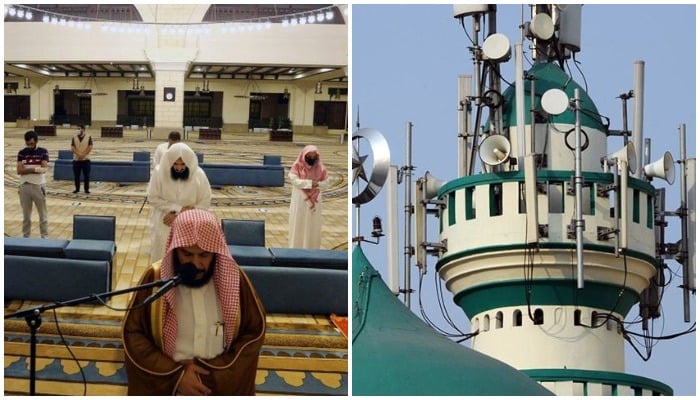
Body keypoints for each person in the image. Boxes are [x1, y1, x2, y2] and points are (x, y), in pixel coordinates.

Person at [122, 208, 266, 395]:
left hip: (218, 383)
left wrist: (211, 374)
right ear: (175, 250)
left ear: (215, 251)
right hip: (170, 385)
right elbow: (133, 333)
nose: (196, 264)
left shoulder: (235, 279)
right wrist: (175, 375)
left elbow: (254, 332)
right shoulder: (156, 278)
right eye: (187, 254)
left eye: (204, 255)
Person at [147, 142, 212, 263]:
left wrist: (181, 215)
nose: (179, 167)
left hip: (190, 225)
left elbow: (205, 202)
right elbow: (152, 197)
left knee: (184, 260)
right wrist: (178, 208)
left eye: (183, 164)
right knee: (161, 260)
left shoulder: (199, 175)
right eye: (175, 164)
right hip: (164, 223)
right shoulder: (159, 172)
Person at [288, 145, 328, 249]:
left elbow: (326, 183)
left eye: (314, 157)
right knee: (299, 224)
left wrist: (317, 184)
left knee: (312, 227)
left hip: (315, 202)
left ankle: (312, 250)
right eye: (309, 156)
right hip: (300, 200)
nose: (311, 159)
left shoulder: (321, 168)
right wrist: (310, 183)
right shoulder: (298, 165)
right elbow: (294, 180)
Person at [16, 130, 49, 238]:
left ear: (36, 141)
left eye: (31, 143)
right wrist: (34, 169)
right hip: (24, 186)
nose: (29, 146)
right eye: (27, 143)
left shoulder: (43, 152)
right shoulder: (22, 153)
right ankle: (26, 237)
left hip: (38, 186)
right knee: (26, 216)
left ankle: (44, 237)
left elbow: (44, 169)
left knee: (42, 215)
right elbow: (19, 171)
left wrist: (29, 169)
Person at [70, 124, 93, 194]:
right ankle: (77, 189)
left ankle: (86, 189)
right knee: (76, 176)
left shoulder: (88, 137)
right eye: (77, 129)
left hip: (86, 160)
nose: (78, 130)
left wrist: (83, 154)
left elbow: (90, 147)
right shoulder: (74, 137)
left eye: (79, 128)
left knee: (86, 176)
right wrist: (78, 154)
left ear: (83, 129)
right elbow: (72, 147)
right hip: (76, 160)